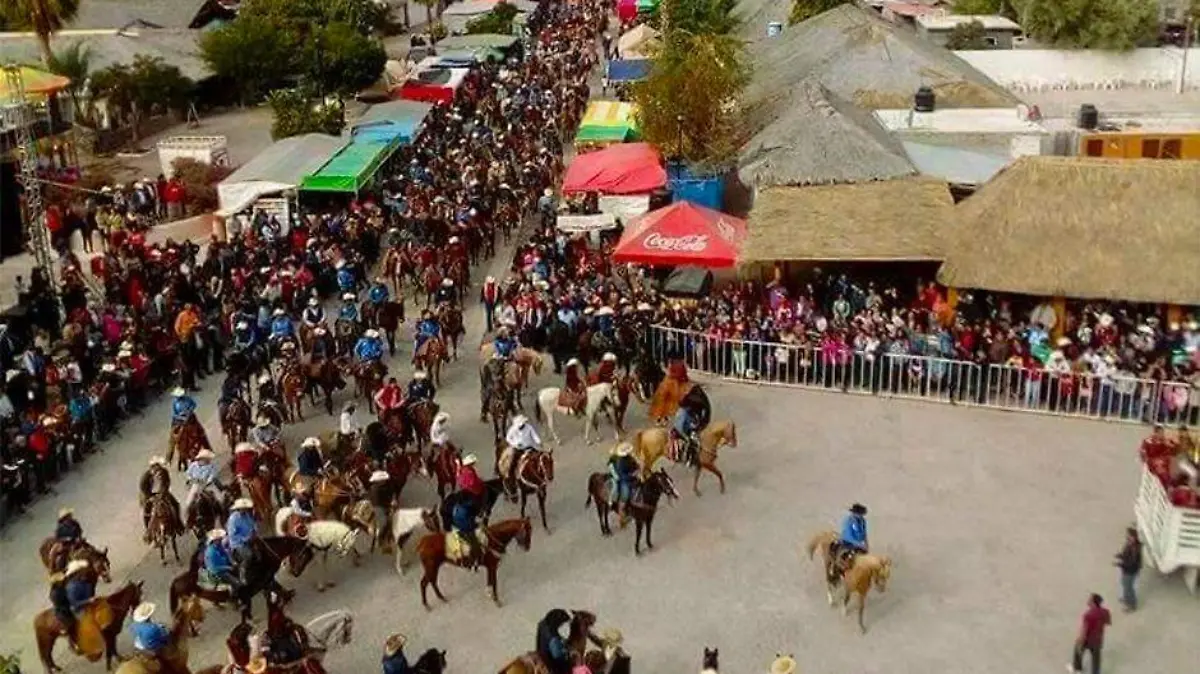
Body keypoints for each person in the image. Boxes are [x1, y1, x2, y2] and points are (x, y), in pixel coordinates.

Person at [139, 456, 181, 537]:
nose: (156, 468)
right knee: (146, 511)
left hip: (162, 493)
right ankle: (148, 531)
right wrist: (150, 496)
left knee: (175, 504)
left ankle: (178, 524)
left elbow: (167, 483)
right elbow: (143, 487)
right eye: (155, 466)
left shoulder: (164, 472)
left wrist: (162, 494)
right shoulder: (146, 476)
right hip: (149, 495)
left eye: (158, 466)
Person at [1069, 593, 1111, 674]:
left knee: (1077, 650)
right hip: (1098, 639)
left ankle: (1077, 669)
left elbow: (1085, 630)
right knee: (1096, 658)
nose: (1088, 600)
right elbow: (1108, 622)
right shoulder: (1105, 612)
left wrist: (1080, 640)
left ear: (1093, 602)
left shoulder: (1088, 615)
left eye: (1089, 599)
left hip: (1088, 639)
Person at [504, 415, 541, 496]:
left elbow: (534, 435)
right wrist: (515, 444)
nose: (522, 426)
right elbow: (508, 438)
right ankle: (510, 478)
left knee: (541, 459)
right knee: (512, 463)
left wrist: (538, 441)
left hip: (529, 447)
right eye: (520, 425)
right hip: (518, 449)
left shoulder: (529, 427)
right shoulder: (513, 430)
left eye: (523, 424)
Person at [184, 449, 223, 516]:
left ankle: (220, 512)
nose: (208, 460)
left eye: (208, 459)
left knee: (217, 497)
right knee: (190, 499)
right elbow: (188, 473)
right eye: (206, 459)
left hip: (207, 485)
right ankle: (187, 514)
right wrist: (190, 479)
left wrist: (208, 481)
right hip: (196, 484)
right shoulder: (193, 465)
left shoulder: (211, 466)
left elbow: (213, 475)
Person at [535, 608, 572, 674]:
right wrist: (566, 651)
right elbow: (556, 654)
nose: (561, 625)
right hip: (549, 659)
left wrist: (561, 638)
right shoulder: (553, 637)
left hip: (540, 652)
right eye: (561, 624)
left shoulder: (543, 623)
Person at [49, 571, 79, 651]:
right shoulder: (55, 594)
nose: (63, 581)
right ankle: (72, 642)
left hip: (67, 606)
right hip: (62, 612)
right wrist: (71, 606)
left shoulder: (61, 588)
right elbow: (61, 604)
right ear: (57, 583)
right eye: (61, 581)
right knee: (72, 624)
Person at [1114, 527, 1142, 612]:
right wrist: (1120, 555)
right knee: (1125, 585)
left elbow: (1132, 563)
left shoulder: (1135, 549)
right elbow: (1126, 554)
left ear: (1133, 537)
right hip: (1127, 569)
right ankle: (1126, 600)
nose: (1127, 537)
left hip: (1130, 571)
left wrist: (1120, 564)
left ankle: (1131, 605)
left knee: (1128, 588)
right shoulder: (1129, 544)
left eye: (1129, 536)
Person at [226, 498, 258, 571]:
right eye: (243, 508)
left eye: (245, 508)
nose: (245, 509)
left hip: (250, 540)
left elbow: (252, 524)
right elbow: (232, 535)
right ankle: (242, 570)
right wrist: (245, 539)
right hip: (238, 543)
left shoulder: (247, 515)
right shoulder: (233, 519)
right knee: (248, 555)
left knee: (260, 553)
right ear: (238, 508)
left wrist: (255, 530)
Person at [836, 503, 869, 573]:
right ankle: (841, 571)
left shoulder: (863, 521)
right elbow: (848, 536)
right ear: (854, 513)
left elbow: (864, 533)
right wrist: (859, 544)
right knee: (848, 558)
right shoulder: (848, 521)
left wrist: (866, 544)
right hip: (848, 542)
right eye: (859, 514)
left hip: (859, 543)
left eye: (861, 514)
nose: (861, 516)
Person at [607, 443, 639, 517]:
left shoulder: (630, 457)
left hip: (632, 475)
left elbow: (635, 464)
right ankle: (621, 510)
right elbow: (622, 475)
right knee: (625, 495)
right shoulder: (620, 462)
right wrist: (632, 475)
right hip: (625, 479)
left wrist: (638, 468)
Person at [450, 494, 480, 570]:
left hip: (456, 528)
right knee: (474, 544)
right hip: (464, 529)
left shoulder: (456, 507)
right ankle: (472, 562)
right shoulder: (464, 510)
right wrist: (476, 524)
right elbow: (468, 524)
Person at [368, 470, 394, 550]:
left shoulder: (382, 487)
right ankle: (379, 539)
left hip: (383, 506)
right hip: (378, 507)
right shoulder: (375, 489)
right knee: (384, 522)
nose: (384, 480)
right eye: (383, 480)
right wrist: (389, 504)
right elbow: (378, 501)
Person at [672, 402, 701, 468]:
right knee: (691, 443)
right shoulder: (682, 414)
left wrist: (695, 425)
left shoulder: (688, 412)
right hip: (680, 432)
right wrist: (686, 437)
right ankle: (688, 458)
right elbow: (680, 427)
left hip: (687, 430)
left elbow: (691, 422)